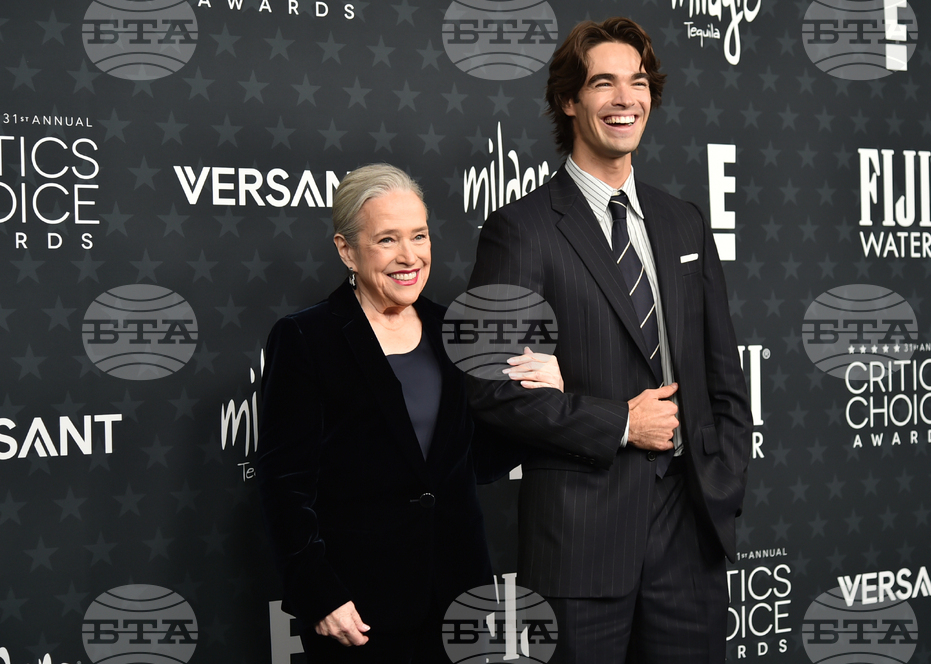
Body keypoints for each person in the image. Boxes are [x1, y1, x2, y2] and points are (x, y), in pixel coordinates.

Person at [466, 18, 753, 664]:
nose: (626, 99)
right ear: (569, 100)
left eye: (639, 82)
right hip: (580, 546)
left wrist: (723, 479)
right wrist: (621, 423)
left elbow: (724, 377)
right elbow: (490, 390)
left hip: (690, 538)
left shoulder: (683, 223)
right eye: (603, 83)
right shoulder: (521, 231)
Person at [257, 163, 564, 663]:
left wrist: (541, 400)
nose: (409, 257)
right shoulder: (305, 338)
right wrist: (320, 593)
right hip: (358, 608)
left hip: (459, 599)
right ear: (346, 250)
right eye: (387, 240)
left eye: (419, 236)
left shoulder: (456, 329)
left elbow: (474, 460)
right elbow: (284, 483)